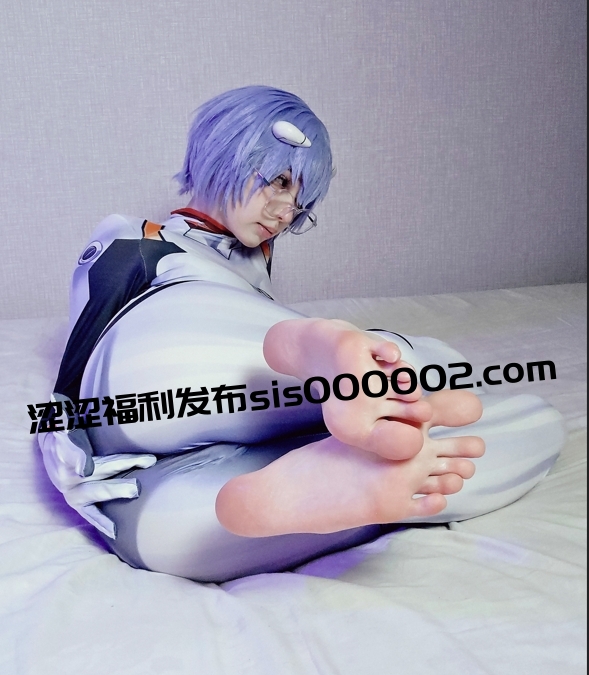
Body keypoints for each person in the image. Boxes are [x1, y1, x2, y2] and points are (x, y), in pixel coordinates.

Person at [37, 86, 565, 583]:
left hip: (156, 507)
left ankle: (361, 472)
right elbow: (76, 364)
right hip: (142, 388)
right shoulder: (138, 239)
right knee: (424, 364)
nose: (287, 212)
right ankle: (357, 358)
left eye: (301, 200)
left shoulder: (255, 270)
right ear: (226, 151)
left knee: (529, 425)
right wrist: (57, 437)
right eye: (280, 181)